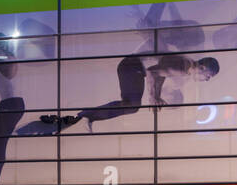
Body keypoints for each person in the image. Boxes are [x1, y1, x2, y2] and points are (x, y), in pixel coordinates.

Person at [47, 55, 219, 132]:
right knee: (132, 105)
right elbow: (152, 72)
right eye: (208, 76)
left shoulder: (186, 67)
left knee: (131, 106)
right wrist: (153, 96)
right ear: (202, 68)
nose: (207, 80)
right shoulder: (182, 67)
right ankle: (87, 115)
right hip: (132, 66)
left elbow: (160, 76)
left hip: (134, 67)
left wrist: (156, 96)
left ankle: (88, 115)